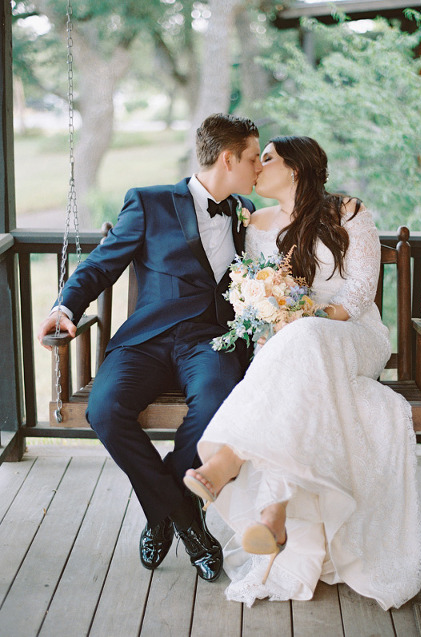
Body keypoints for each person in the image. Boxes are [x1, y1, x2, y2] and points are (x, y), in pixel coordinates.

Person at [183, 136, 421, 607]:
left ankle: (228, 458)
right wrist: (273, 315)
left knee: (304, 337)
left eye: (266, 158)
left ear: (294, 167)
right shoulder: (256, 223)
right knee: (291, 349)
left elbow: (358, 294)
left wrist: (303, 318)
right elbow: (258, 299)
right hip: (290, 348)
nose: (257, 166)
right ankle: (273, 515)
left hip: (353, 337)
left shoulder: (349, 212)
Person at [37, 113, 262, 582]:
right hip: (146, 340)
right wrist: (65, 307)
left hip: (211, 341)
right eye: (253, 158)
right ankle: (183, 515)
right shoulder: (150, 202)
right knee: (105, 408)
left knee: (218, 406)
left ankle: (164, 510)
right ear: (227, 159)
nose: (259, 166)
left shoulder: (246, 212)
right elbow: (100, 266)